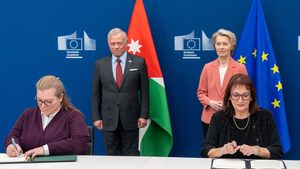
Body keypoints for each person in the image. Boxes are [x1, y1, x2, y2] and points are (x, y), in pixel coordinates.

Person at [92, 28, 149, 156]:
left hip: (131, 118)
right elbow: (96, 94)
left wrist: (143, 115)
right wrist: (96, 117)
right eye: (113, 43)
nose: (116, 46)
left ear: (126, 43)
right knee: (112, 156)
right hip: (108, 119)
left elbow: (145, 93)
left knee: (131, 156)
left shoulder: (139, 62)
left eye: (119, 43)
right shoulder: (100, 64)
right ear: (109, 44)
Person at [4, 75, 89, 158]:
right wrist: (11, 146)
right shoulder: (28, 114)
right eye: (39, 100)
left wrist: (45, 149)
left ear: (60, 97)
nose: (43, 105)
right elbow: (12, 136)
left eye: (48, 101)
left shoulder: (73, 116)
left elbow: (80, 142)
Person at [201, 74, 282, 159]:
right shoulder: (218, 118)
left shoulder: (265, 116)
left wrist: (257, 150)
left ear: (251, 97)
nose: (240, 100)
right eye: (235, 95)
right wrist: (222, 150)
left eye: (245, 95)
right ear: (229, 96)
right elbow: (206, 150)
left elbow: (277, 151)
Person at [197, 28, 247, 137]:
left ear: (232, 46)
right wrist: (210, 102)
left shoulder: (240, 68)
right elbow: (201, 93)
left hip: (234, 117)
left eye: (225, 44)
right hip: (209, 119)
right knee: (211, 151)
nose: (221, 47)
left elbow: (245, 94)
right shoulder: (207, 67)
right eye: (218, 44)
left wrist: (229, 104)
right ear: (214, 46)